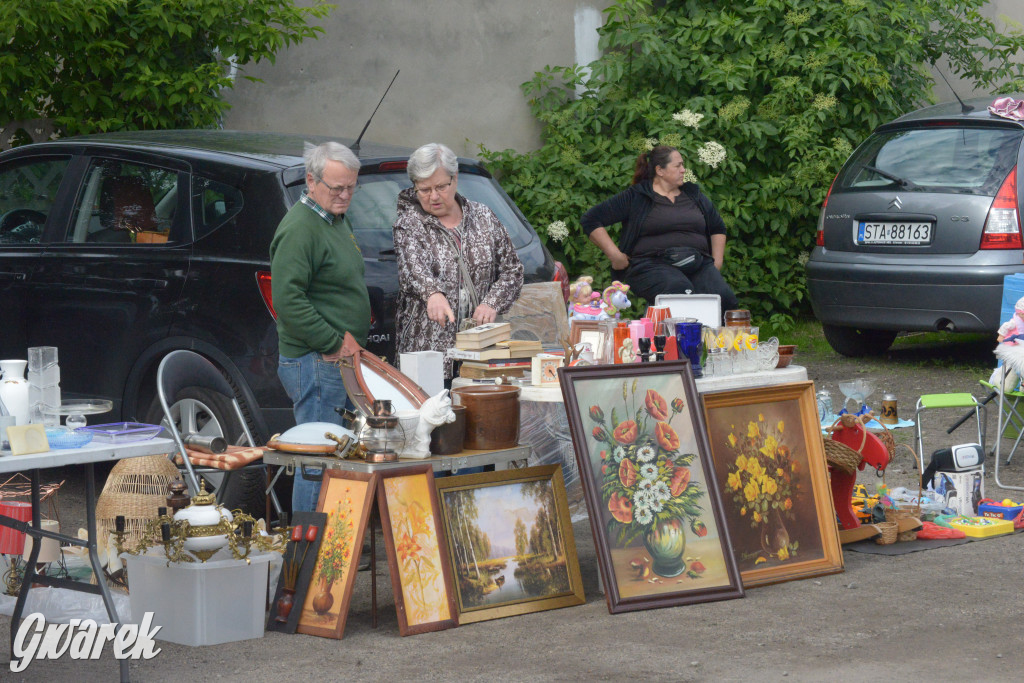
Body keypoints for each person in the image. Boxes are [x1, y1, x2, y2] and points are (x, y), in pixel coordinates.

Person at [270, 141, 369, 512]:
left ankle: (333, 551)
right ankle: (308, 553)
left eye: (350, 188)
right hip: (316, 359)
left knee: (338, 459)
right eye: (336, 188)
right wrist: (332, 341)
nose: (345, 196)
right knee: (318, 461)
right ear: (311, 181)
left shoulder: (334, 219)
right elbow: (289, 301)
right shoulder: (300, 228)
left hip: (335, 359)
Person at [393, 143, 524, 382]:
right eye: (424, 190)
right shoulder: (409, 223)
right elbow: (412, 270)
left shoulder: (483, 216)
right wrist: (432, 293)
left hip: (479, 354)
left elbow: (512, 271)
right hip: (428, 354)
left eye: (441, 187)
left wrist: (491, 303)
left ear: (455, 179)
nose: (433, 196)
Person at [580, 145, 739, 317]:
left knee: (723, 297)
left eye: (683, 165)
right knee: (678, 290)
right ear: (660, 170)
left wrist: (716, 264)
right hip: (650, 265)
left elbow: (717, 227)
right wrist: (615, 256)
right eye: (678, 166)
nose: (683, 170)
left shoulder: (693, 195)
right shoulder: (637, 197)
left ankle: (718, 343)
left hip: (697, 263)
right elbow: (591, 219)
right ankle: (671, 342)